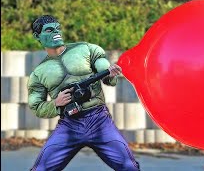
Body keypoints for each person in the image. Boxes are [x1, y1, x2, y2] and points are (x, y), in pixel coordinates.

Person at [28, 15, 140, 171]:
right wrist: (55, 103)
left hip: (99, 120)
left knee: (129, 166)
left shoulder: (85, 49)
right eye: (49, 30)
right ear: (37, 36)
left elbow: (103, 68)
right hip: (69, 124)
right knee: (41, 169)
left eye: (58, 28)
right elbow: (36, 106)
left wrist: (109, 73)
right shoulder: (38, 73)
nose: (56, 32)